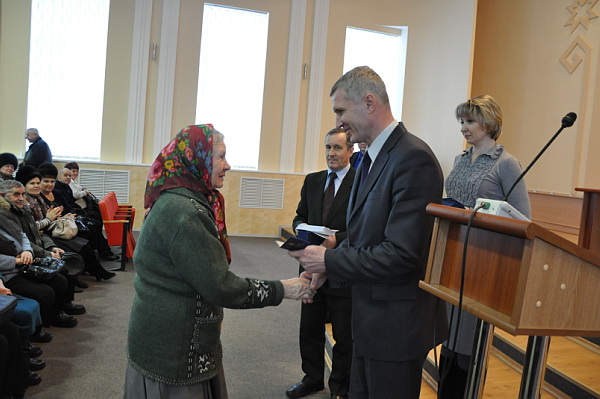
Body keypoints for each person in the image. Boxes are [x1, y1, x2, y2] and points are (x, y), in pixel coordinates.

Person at [288, 66, 448, 399]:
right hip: (367, 319)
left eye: (341, 110)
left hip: (396, 326)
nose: (338, 122)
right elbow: (362, 235)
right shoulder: (369, 158)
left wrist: (329, 261)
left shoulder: (412, 158)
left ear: (370, 102)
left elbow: (402, 254)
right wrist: (324, 267)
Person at [125, 124, 314, 399]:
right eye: (221, 157)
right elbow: (220, 286)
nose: (228, 165)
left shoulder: (182, 199)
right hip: (175, 348)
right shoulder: (185, 213)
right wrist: (286, 289)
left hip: (165, 336)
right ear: (197, 160)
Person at [439, 94, 531, 399]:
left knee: (468, 341)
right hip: (453, 255)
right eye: (461, 121)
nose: (463, 127)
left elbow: (523, 220)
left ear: (489, 123)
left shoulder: (507, 163)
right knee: (449, 337)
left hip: (484, 263)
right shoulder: (459, 159)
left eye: (470, 121)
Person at [286, 128, 355, 399]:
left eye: (337, 148)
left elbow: (363, 227)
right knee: (309, 329)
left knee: (343, 336)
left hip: (341, 268)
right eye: (328, 147)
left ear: (350, 151)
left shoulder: (360, 182)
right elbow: (299, 216)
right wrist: (300, 230)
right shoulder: (313, 181)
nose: (331, 153)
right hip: (310, 267)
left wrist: (337, 239)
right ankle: (312, 379)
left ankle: (340, 388)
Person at [0, 180, 82, 327]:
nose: (21, 198)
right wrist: (43, 254)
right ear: (2, 195)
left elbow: (29, 235)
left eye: (22, 194)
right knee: (50, 287)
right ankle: (48, 319)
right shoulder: (5, 215)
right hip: (15, 268)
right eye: (16, 194)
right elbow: (19, 244)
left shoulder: (24, 210)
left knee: (63, 273)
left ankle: (59, 309)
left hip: (29, 256)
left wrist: (50, 247)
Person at [16, 165, 116, 282]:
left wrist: (60, 217)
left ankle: (88, 272)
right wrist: (50, 218)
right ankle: (79, 276)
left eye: (38, 183)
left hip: (48, 231)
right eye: (33, 184)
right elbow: (33, 227)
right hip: (42, 235)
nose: (37, 186)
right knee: (79, 243)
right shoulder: (26, 202)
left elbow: (64, 209)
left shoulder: (38, 198)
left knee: (85, 240)